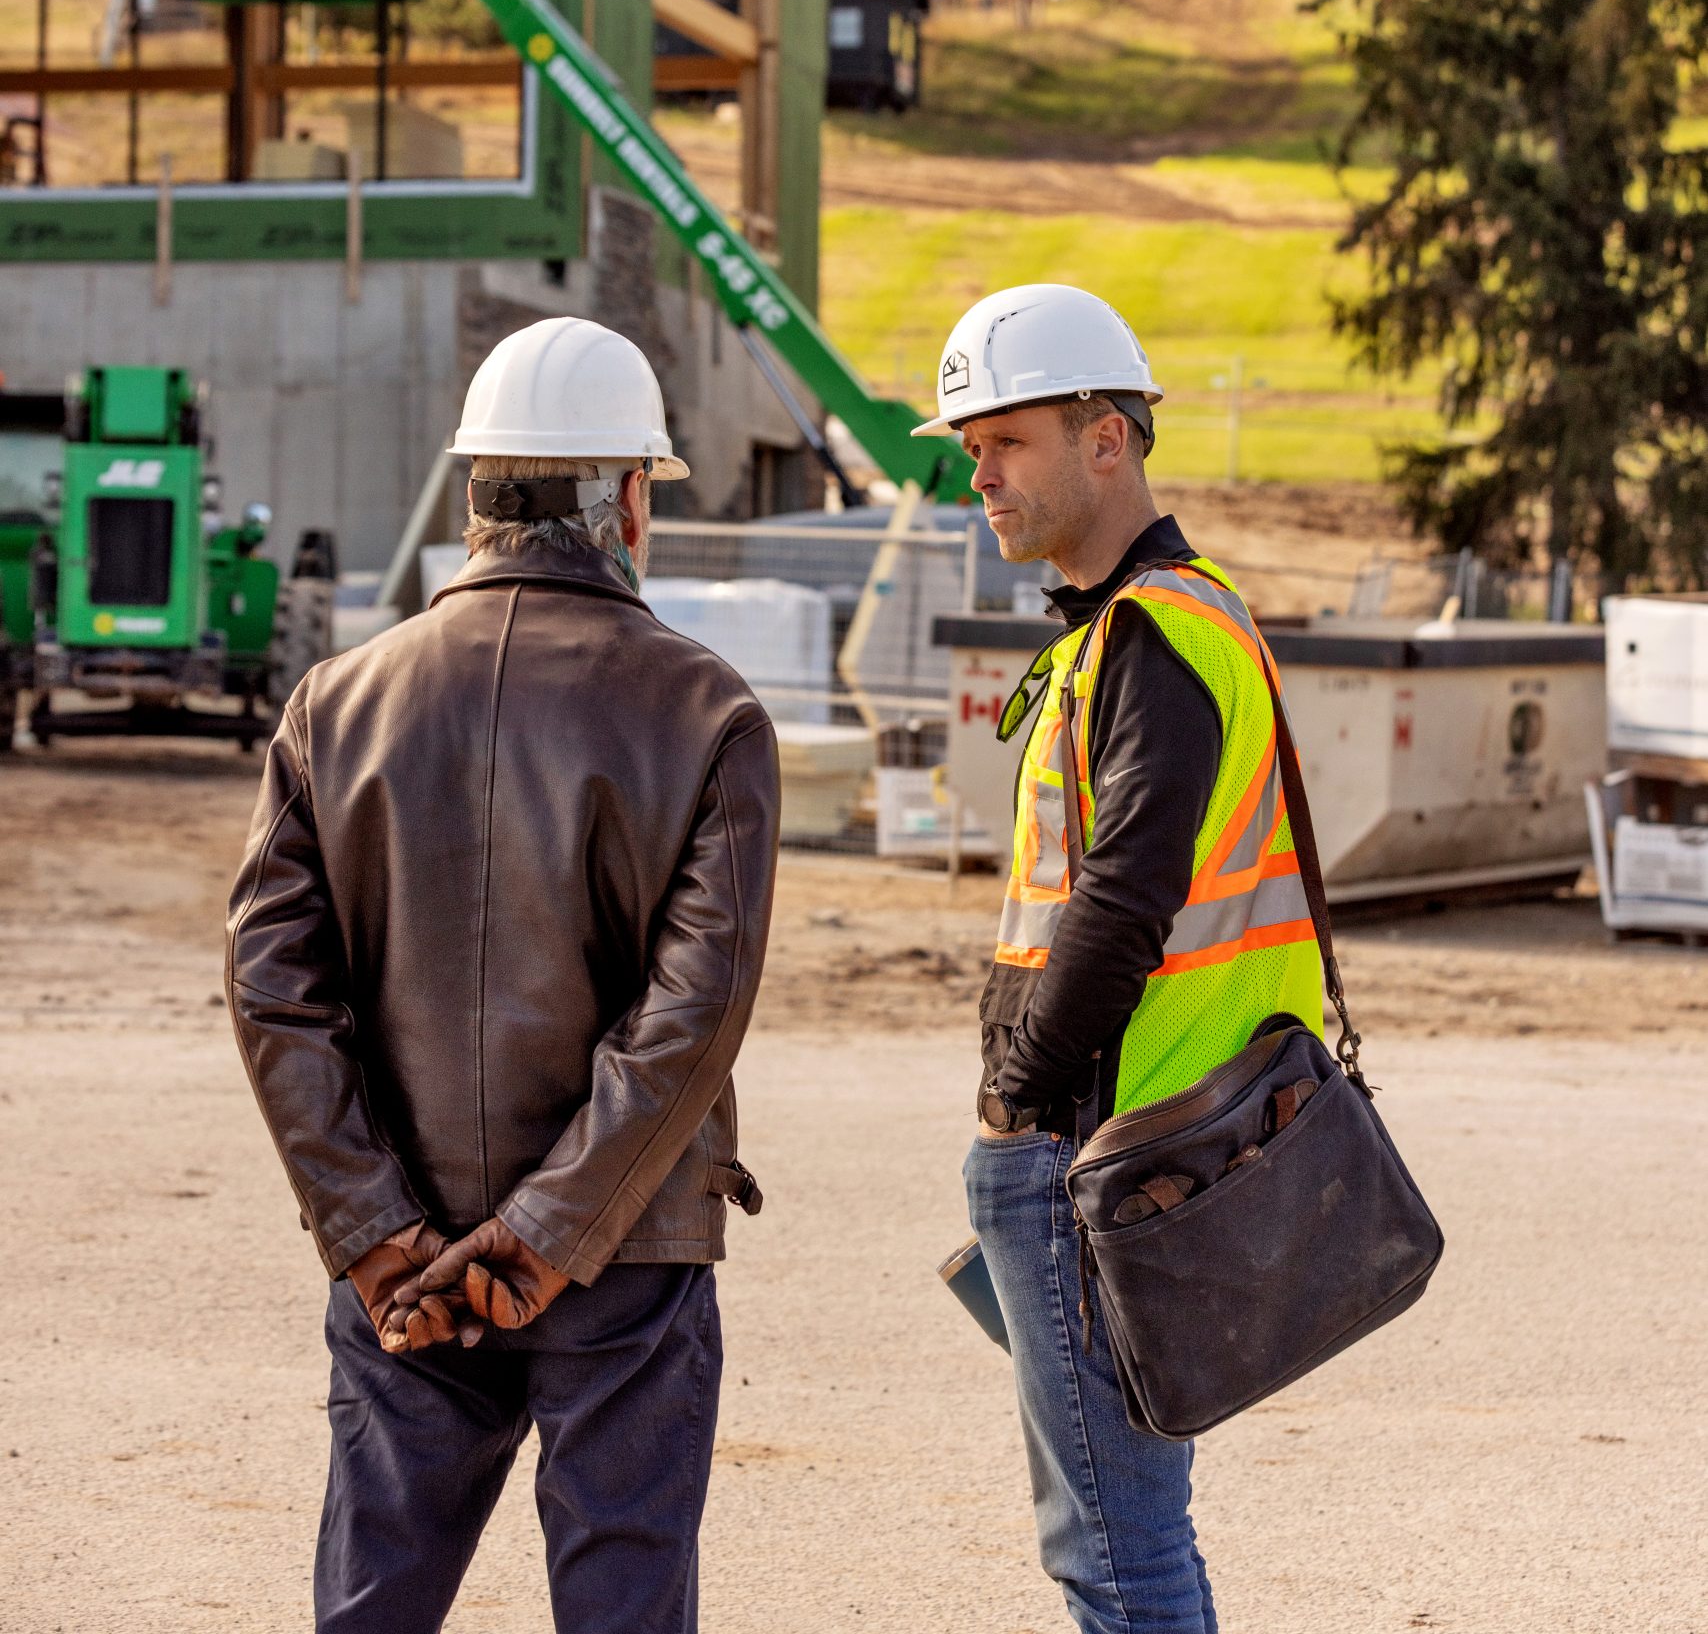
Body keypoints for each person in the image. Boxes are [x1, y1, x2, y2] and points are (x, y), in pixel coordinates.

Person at [226, 315, 780, 1634]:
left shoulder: (333, 707)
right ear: (630, 497)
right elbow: (691, 1018)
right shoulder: (707, 713)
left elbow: (275, 991)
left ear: (476, 491)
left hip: (404, 1263)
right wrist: (544, 1239)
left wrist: (372, 1231)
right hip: (623, 1260)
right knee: (622, 1599)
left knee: (374, 1602)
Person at [913, 285, 1324, 1634]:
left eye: (1006, 440)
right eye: (968, 448)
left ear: (1109, 439)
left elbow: (1122, 903)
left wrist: (1015, 1101)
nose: (978, 472)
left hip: (1107, 1146)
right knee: (1123, 1538)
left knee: (1118, 1555)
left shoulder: (1150, 637)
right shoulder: (1148, 624)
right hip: (1159, 1140)